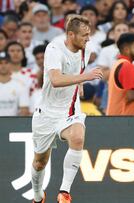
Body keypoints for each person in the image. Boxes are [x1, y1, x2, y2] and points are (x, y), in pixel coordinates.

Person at [31, 15, 103, 203]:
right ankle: (38, 195)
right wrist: (84, 78)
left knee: (78, 137)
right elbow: (55, 80)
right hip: (46, 113)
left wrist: (78, 85)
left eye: (89, 34)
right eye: (84, 35)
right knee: (40, 162)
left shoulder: (85, 49)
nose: (88, 39)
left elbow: (76, 72)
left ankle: (64, 192)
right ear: (71, 34)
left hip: (69, 110)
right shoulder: (54, 49)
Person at [106, 33, 134, 115]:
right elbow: (131, 96)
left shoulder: (118, 64)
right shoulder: (127, 66)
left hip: (115, 118)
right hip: (124, 120)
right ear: (126, 49)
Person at [0, 52, 30, 116]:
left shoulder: (20, 86)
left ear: (10, 65)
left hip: (13, 125)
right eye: (0, 63)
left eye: (6, 63)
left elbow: (24, 111)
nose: (3, 66)